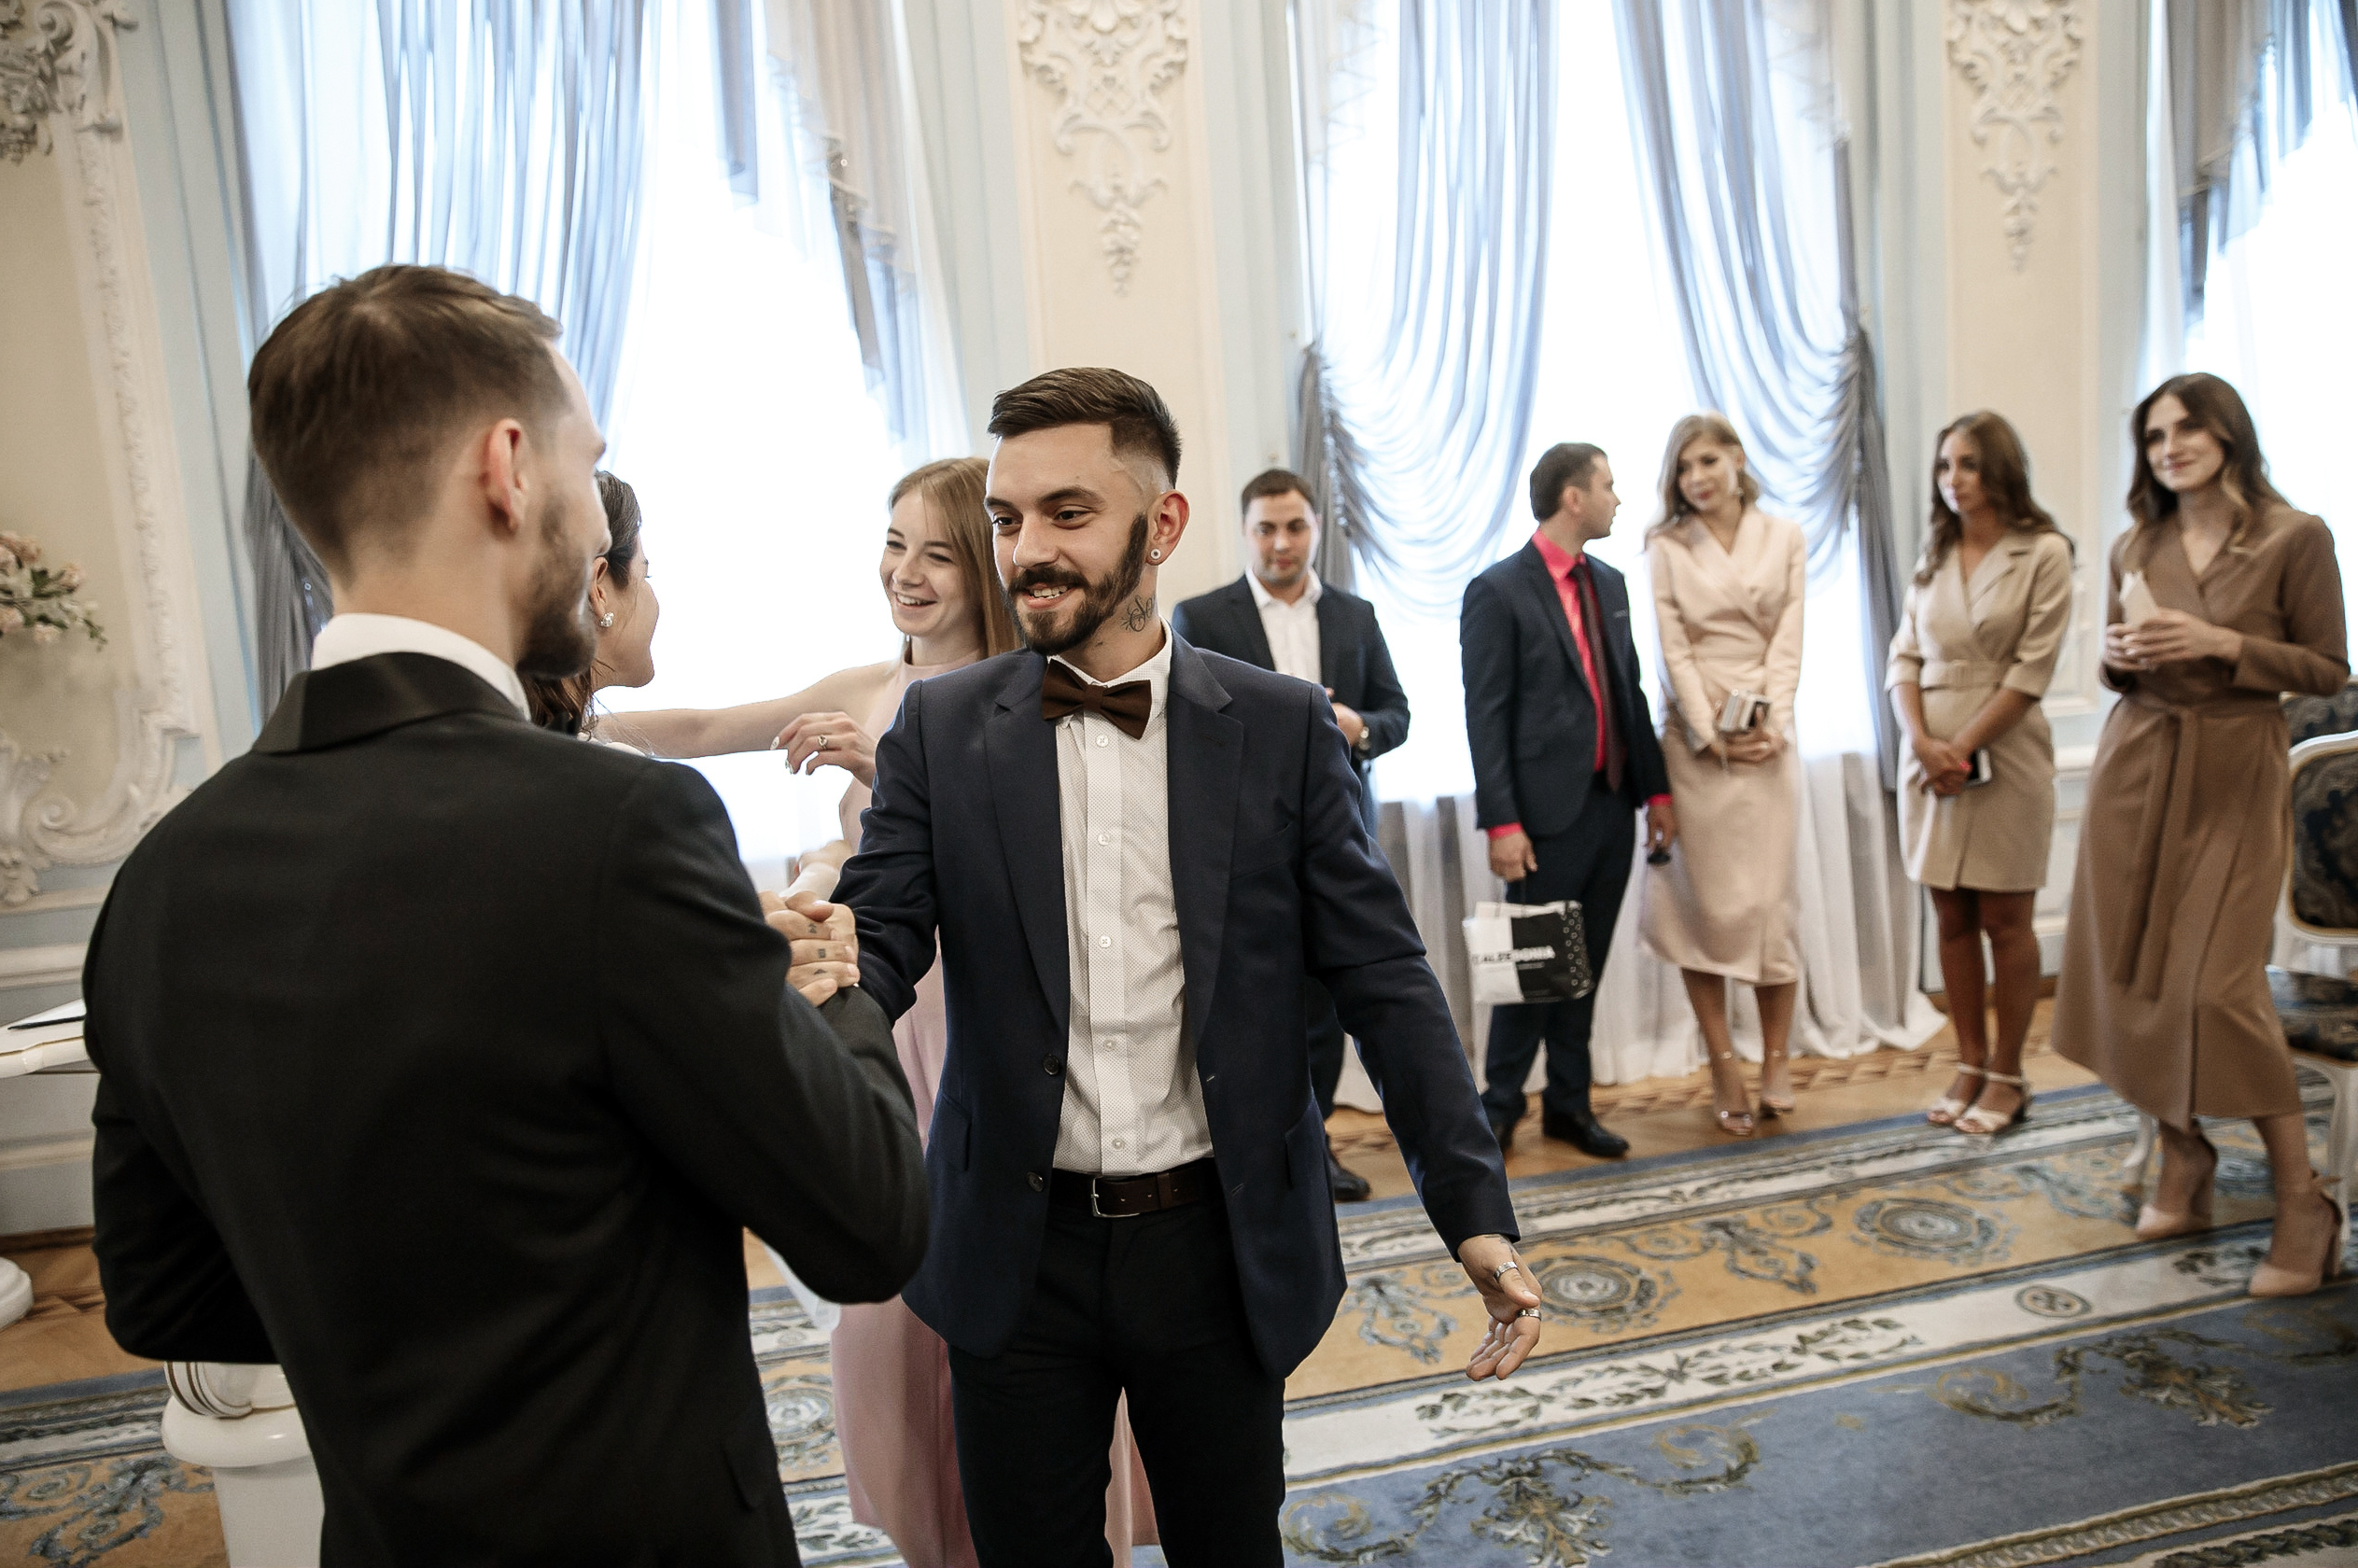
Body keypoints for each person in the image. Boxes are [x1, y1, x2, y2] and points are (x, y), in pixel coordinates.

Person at [81, 264, 929, 1567]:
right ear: (509, 467)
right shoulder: (615, 829)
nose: (597, 522)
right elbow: (871, 1221)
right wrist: (840, 992)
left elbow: (167, 1291)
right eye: (592, 466)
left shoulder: (160, 883)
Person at [835, 368, 1541, 1563]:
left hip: (1218, 1248)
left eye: (1068, 513)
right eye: (1007, 520)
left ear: (1161, 525)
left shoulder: (1278, 727)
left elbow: (1384, 976)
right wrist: (809, 1006)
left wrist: (1473, 1211)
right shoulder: (938, 730)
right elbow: (878, 945)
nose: (1026, 552)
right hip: (1013, 1246)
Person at [593, 458, 1159, 1564]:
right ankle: (934, 1525)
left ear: (986, 567)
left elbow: (1049, 870)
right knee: (894, 1294)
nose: (904, 573)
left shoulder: (1031, 686)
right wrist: (557, 725)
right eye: (893, 545)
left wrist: (904, 777)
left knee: (1023, 1282)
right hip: (891, 1022)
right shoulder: (864, 681)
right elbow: (707, 724)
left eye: (936, 552)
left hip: (996, 1021)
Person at [2055, 371, 2349, 1297]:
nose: (2169, 447)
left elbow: (2329, 665)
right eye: (2152, 437)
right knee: (2129, 975)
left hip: (2232, 768)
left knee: (2215, 990)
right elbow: (2119, 661)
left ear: (2227, 433)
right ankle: (2184, 1158)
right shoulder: (2132, 543)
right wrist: (2113, 656)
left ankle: (2304, 1201)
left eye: (2185, 429)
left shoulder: (2295, 537)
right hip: (2136, 766)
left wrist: (2223, 646)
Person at [1171, 466, 1411, 1199]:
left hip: (1338, 841)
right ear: (1245, 534)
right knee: (1252, 1007)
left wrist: (1356, 725)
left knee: (1326, 1006)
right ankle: (1250, 1149)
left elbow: (1397, 714)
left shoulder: (1355, 615)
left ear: (1315, 529)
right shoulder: (1200, 618)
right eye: (1267, 528)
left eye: (1295, 526)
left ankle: (1318, 1147)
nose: (1282, 542)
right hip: (1241, 848)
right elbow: (1184, 731)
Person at [1462, 442, 1675, 1159]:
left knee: (1582, 972)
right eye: (1608, 486)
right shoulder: (1497, 590)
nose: (1618, 498)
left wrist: (1657, 790)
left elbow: (1630, 695)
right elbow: (1484, 715)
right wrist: (1502, 820)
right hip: (1539, 820)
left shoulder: (1610, 584)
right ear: (1573, 497)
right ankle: (1498, 1108)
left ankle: (1569, 1106)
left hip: (1611, 806)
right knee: (1531, 971)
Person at [1888, 413, 2073, 1136]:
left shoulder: (2044, 552)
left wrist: (1961, 745)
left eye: (1966, 464)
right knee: (1952, 916)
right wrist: (1924, 742)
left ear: (1999, 469)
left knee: (2005, 917)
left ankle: (2008, 1072)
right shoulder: (1934, 553)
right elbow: (1902, 656)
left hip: (2005, 751)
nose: (1953, 480)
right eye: (1944, 466)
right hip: (1929, 755)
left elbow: (2033, 668)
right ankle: (1967, 1063)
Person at [1640, 413, 1807, 1136]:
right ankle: (1722, 1060)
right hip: (1697, 743)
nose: (1697, 478)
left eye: (1708, 460)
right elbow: (1671, 650)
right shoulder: (1666, 547)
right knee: (1703, 908)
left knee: (1771, 908)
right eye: (1684, 468)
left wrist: (1773, 722)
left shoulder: (1786, 536)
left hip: (1769, 738)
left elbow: (1791, 636)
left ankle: (1776, 1057)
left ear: (1738, 458)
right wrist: (1713, 737)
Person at [522, 469, 657, 736]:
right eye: (645, 575)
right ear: (599, 589)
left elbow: (698, 731)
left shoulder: (518, 720)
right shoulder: (591, 765)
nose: (651, 594)